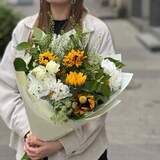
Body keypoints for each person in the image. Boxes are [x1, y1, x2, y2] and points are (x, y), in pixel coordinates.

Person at [0, 0, 115, 160]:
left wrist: (63, 143)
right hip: (33, 148)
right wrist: (29, 131)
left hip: (85, 153)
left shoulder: (98, 32)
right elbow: (7, 89)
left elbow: (103, 97)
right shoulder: (24, 30)